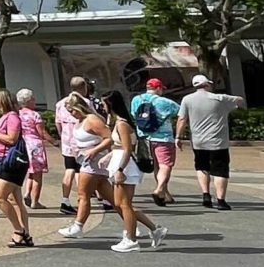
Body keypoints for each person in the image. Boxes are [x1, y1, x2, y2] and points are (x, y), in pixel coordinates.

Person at [59, 95, 158, 252]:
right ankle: (145, 230)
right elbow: (119, 147)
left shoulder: (120, 124)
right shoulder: (116, 122)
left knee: (122, 204)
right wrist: (107, 157)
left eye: (104, 104)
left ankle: (132, 238)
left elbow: (126, 149)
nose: (102, 107)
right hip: (114, 164)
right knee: (119, 203)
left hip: (123, 167)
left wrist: (118, 169)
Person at [178, 74, 245, 209]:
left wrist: (178, 137)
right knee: (220, 170)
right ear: (208, 84)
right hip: (218, 142)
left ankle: (205, 194)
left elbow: (181, 119)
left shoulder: (187, 99)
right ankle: (221, 200)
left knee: (202, 167)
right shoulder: (220, 99)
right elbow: (240, 100)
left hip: (198, 141)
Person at [0, 91, 33, 248]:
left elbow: (11, 139)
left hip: (12, 162)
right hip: (3, 160)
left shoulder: (12, 117)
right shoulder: (4, 117)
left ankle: (18, 230)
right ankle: (25, 233)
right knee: (16, 200)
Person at [130, 77, 181, 205]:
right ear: (158, 88)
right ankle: (159, 190)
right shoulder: (165, 102)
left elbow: (133, 114)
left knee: (157, 166)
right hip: (163, 138)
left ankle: (165, 194)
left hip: (144, 138)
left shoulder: (136, 100)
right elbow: (181, 112)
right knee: (165, 165)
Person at [55, 79, 98, 209]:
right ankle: (82, 197)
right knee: (82, 170)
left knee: (69, 170)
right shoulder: (85, 102)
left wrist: (62, 135)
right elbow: (93, 120)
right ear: (84, 87)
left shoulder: (60, 103)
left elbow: (58, 122)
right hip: (81, 141)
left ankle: (65, 199)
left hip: (67, 141)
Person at [15, 88, 50, 212]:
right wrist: (54, 141)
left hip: (23, 145)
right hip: (35, 145)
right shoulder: (34, 115)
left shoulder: (17, 114)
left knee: (31, 172)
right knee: (38, 175)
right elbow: (42, 132)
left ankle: (27, 193)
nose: (35, 101)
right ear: (28, 101)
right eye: (33, 99)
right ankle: (35, 201)